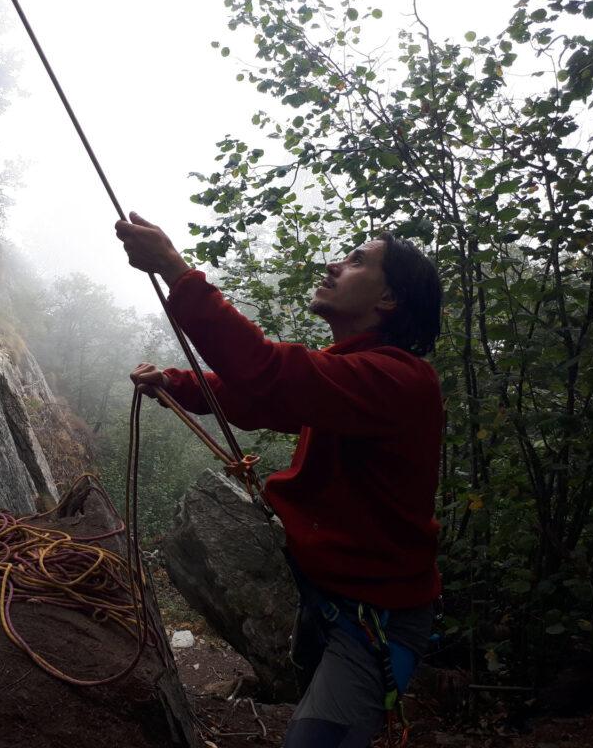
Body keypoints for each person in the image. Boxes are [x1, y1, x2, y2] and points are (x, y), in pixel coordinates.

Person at [114, 212, 444, 748]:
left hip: (377, 620)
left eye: (358, 260)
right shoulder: (353, 372)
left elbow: (268, 372)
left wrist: (176, 270)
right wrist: (175, 385)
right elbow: (264, 396)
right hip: (329, 595)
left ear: (388, 300)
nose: (335, 264)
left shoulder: (398, 381)